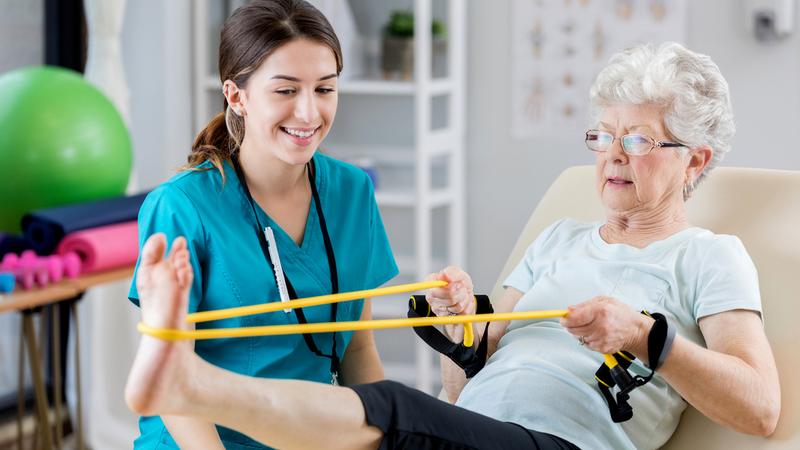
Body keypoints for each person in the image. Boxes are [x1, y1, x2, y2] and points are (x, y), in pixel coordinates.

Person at [125, 42, 781, 450]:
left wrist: (641, 334)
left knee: (393, 411)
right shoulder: (560, 239)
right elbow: (465, 388)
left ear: (694, 161)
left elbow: (759, 407)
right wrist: (461, 332)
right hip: (476, 432)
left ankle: (189, 383)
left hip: (558, 444)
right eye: (602, 136)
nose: (610, 155)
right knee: (411, 415)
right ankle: (186, 382)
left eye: (635, 139)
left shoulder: (708, 255)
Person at [127, 1, 399, 448]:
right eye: (286, 91)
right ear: (237, 96)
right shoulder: (181, 207)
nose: (309, 114)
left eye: (325, 90)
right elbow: (171, 382)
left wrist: (383, 439)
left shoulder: (353, 192)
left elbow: (357, 349)